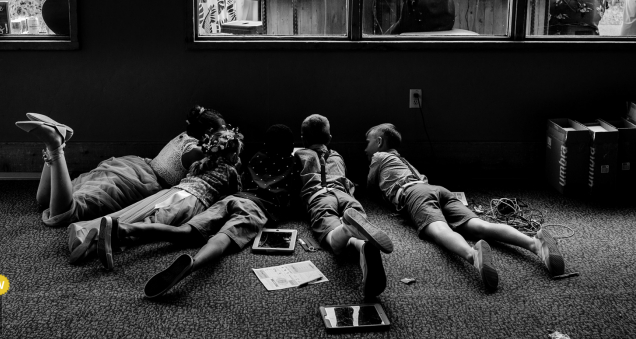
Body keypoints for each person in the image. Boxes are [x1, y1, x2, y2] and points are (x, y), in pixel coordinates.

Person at [364, 123, 566, 292]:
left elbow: (370, 186)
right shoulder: (402, 159)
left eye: (368, 142)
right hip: (436, 189)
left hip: (413, 194)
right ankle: (535, 244)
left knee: (438, 229)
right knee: (478, 224)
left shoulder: (378, 157)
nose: (365, 148)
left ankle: (473, 255)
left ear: (379, 142)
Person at [140, 124, 300, 298]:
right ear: (290, 145)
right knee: (222, 238)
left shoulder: (256, 157)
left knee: (186, 230)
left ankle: (128, 229)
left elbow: (244, 181)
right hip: (257, 208)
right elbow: (293, 196)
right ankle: (193, 264)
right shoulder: (292, 164)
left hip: (233, 198)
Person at [15, 105, 225, 232]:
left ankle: (53, 146)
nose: (226, 135)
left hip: (135, 165)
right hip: (142, 183)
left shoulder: (185, 135)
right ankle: (55, 145)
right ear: (208, 132)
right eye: (222, 131)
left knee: (47, 200)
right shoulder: (199, 151)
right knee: (65, 212)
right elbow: (204, 179)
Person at [96, 127, 245, 270]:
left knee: (154, 218)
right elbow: (235, 195)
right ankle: (122, 229)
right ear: (233, 155)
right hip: (192, 201)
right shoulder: (230, 171)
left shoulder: (200, 164)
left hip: (175, 192)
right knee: (159, 224)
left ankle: (118, 238)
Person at [294, 114, 394, 299]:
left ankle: (347, 229)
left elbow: (293, 185)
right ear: (329, 139)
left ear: (303, 139)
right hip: (344, 194)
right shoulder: (337, 156)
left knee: (333, 238)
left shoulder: (299, 154)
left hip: (319, 196)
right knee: (355, 219)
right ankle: (361, 244)